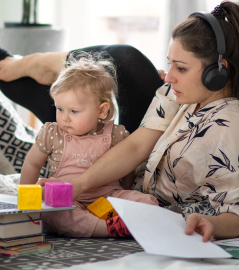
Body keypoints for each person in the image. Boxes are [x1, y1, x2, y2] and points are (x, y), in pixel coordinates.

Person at [0, 0, 239, 241]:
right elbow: (136, 146)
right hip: (116, 168)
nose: (168, 75)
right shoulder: (178, 93)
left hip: (129, 192)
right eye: (170, 62)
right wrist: (78, 186)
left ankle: (15, 51)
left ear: (218, 71)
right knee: (99, 80)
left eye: (181, 67)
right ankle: (34, 60)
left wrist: (212, 224)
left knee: (109, 75)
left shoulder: (230, 125)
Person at [19, 55, 158, 238]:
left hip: (106, 198)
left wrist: (125, 192)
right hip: (66, 200)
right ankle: (109, 228)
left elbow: (127, 167)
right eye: (60, 109)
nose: (65, 118)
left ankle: (110, 220)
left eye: (74, 111)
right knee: (55, 214)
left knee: (148, 201)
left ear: (101, 110)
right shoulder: (52, 133)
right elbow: (32, 164)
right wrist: (25, 201)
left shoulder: (115, 134)